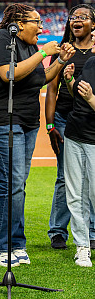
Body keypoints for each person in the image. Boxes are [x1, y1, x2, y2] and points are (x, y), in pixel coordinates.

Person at [0, 3, 75, 267]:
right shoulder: (1, 39)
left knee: (17, 184)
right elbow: (9, 73)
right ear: (19, 23)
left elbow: (40, 77)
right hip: (0, 119)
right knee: (10, 182)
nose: (42, 28)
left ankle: (16, 243)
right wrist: (43, 51)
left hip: (27, 121)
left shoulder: (29, 46)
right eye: (37, 23)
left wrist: (61, 61)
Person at [46, 4, 95, 250]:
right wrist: (51, 123)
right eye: (73, 17)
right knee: (65, 177)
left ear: (93, 24)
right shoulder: (63, 51)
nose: (77, 21)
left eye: (83, 17)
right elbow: (52, 90)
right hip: (66, 119)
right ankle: (57, 230)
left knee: (92, 177)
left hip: (92, 118)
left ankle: (92, 231)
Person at [63, 23, 95, 267]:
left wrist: (91, 98)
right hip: (75, 134)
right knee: (75, 196)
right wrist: (70, 81)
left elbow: (90, 98)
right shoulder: (92, 62)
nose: (92, 38)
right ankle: (82, 246)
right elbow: (80, 97)